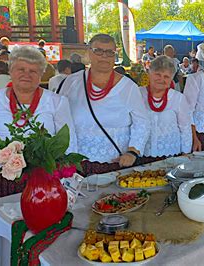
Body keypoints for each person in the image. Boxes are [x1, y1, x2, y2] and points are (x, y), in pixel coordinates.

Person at [0, 45, 77, 265]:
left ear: (41, 75)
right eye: (21, 69)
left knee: (43, 241)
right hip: (1, 185)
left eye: (33, 71)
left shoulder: (57, 102)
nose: (26, 75)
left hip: (44, 186)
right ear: (10, 71)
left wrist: (66, 189)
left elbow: (68, 146)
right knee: (5, 236)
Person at [59, 34, 150, 175]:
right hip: (77, 165)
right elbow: (59, 119)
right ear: (89, 52)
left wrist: (133, 152)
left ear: (115, 56)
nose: (104, 56)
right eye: (98, 51)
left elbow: (142, 122)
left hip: (116, 163)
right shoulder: (71, 83)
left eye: (109, 52)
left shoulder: (128, 87)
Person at [140, 56, 192, 160]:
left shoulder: (178, 98)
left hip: (171, 155)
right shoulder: (137, 94)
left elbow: (185, 128)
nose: (161, 79)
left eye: (166, 76)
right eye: (158, 74)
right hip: (141, 155)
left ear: (171, 79)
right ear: (149, 74)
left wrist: (185, 154)